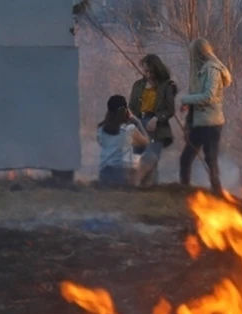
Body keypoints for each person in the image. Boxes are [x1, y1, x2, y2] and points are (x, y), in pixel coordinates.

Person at [179, 38, 232, 196]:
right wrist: (188, 105)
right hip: (200, 122)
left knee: (210, 160)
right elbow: (201, 95)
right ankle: (184, 192)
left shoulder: (212, 69)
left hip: (210, 124)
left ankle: (218, 194)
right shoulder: (203, 69)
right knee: (186, 158)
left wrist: (186, 99)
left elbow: (209, 96)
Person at [129, 54, 178, 185]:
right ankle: (149, 188)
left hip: (158, 126)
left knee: (151, 156)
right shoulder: (138, 85)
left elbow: (170, 110)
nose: (149, 74)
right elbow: (132, 107)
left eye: (151, 71)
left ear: (157, 69)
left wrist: (156, 118)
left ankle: (136, 182)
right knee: (138, 157)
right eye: (146, 71)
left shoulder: (166, 86)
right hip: (139, 125)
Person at [97, 95, 155, 186]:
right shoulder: (129, 129)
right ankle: (142, 186)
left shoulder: (100, 129)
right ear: (126, 111)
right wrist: (137, 121)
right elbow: (146, 142)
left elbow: (104, 144)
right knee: (151, 157)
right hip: (123, 176)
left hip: (104, 174)